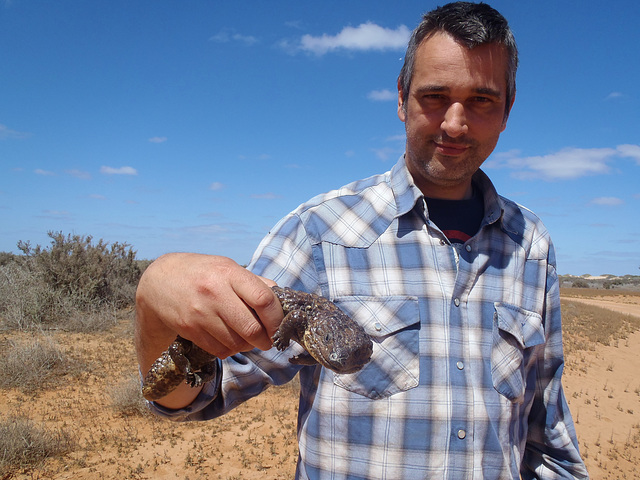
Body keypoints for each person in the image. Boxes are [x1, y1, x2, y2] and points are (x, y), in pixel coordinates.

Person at [135, 2, 589, 478]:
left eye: (481, 100)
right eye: (435, 96)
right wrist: (155, 298)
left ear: (507, 109)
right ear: (401, 98)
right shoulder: (320, 231)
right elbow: (198, 393)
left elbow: (547, 434)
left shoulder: (530, 243)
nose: (455, 123)